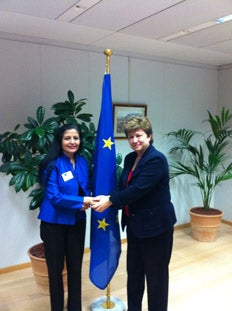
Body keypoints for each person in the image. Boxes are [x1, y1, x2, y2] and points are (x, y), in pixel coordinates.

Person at [92, 116, 176, 311]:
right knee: (135, 275)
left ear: (149, 136)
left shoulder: (156, 160)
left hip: (157, 229)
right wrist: (107, 197)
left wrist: (110, 201)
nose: (134, 140)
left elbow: (137, 190)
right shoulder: (131, 158)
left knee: (156, 279)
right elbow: (122, 187)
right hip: (136, 227)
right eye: (130, 137)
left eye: (138, 135)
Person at [38, 124, 93, 311]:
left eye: (75, 138)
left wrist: (94, 198)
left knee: (75, 267)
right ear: (60, 141)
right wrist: (82, 201)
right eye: (67, 138)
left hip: (77, 222)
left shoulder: (83, 162)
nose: (72, 142)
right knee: (55, 271)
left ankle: (74, 307)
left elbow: (86, 188)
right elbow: (54, 197)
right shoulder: (52, 163)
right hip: (54, 224)